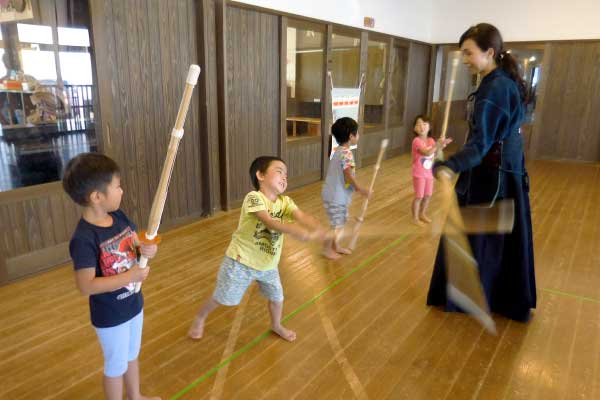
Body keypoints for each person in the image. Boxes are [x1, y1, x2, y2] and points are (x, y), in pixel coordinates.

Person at [427, 23, 536, 322]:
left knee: (482, 238)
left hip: (492, 177)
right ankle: (492, 296)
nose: (464, 60)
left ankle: (479, 297)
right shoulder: (496, 82)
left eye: (468, 53)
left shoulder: (495, 89)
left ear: (489, 52)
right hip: (500, 171)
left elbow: (480, 146)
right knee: (487, 238)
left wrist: (448, 165)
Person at [188, 156, 331, 342]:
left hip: (268, 265)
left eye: (286, 175)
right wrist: (296, 231)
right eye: (279, 171)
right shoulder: (254, 198)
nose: (284, 178)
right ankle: (200, 317)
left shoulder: (285, 202)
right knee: (222, 297)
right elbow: (269, 222)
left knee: (277, 298)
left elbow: (302, 216)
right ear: (260, 175)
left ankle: (276, 325)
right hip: (240, 262)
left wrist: (318, 228)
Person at [63, 153, 160, 400]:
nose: (122, 191)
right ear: (97, 196)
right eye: (117, 186)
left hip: (133, 305)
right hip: (110, 316)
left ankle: (135, 396)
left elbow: (135, 244)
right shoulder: (84, 239)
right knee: (116, 366)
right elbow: (86, 286)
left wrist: (146, 249)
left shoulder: (118, 216)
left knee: (131, 356)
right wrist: (130, 276)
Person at [321, 117, 371, 256]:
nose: (358, 136)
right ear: (351, 136)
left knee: (338, 222)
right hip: (336, 196)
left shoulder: (338, 151)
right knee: (337, 225)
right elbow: (348, 175)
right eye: (357, 133)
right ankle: (327, 249)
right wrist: (361, 189)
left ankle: (335, 246)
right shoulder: (347, 153)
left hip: (333, 194)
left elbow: (346, 177)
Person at [410, 115, 451, 226]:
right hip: (419, 174)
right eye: (418, 124)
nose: (421, 126)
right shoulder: (416, 141)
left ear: (429, 127)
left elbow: (436, 153)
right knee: (419, 196)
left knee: (428, 195)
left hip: (429, 173)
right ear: (415, 128)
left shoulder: (431, 140)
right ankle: (415, 218)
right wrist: (437, 145)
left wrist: (442, 145)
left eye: (424, 124)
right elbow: (427, 153)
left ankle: (422, 213)